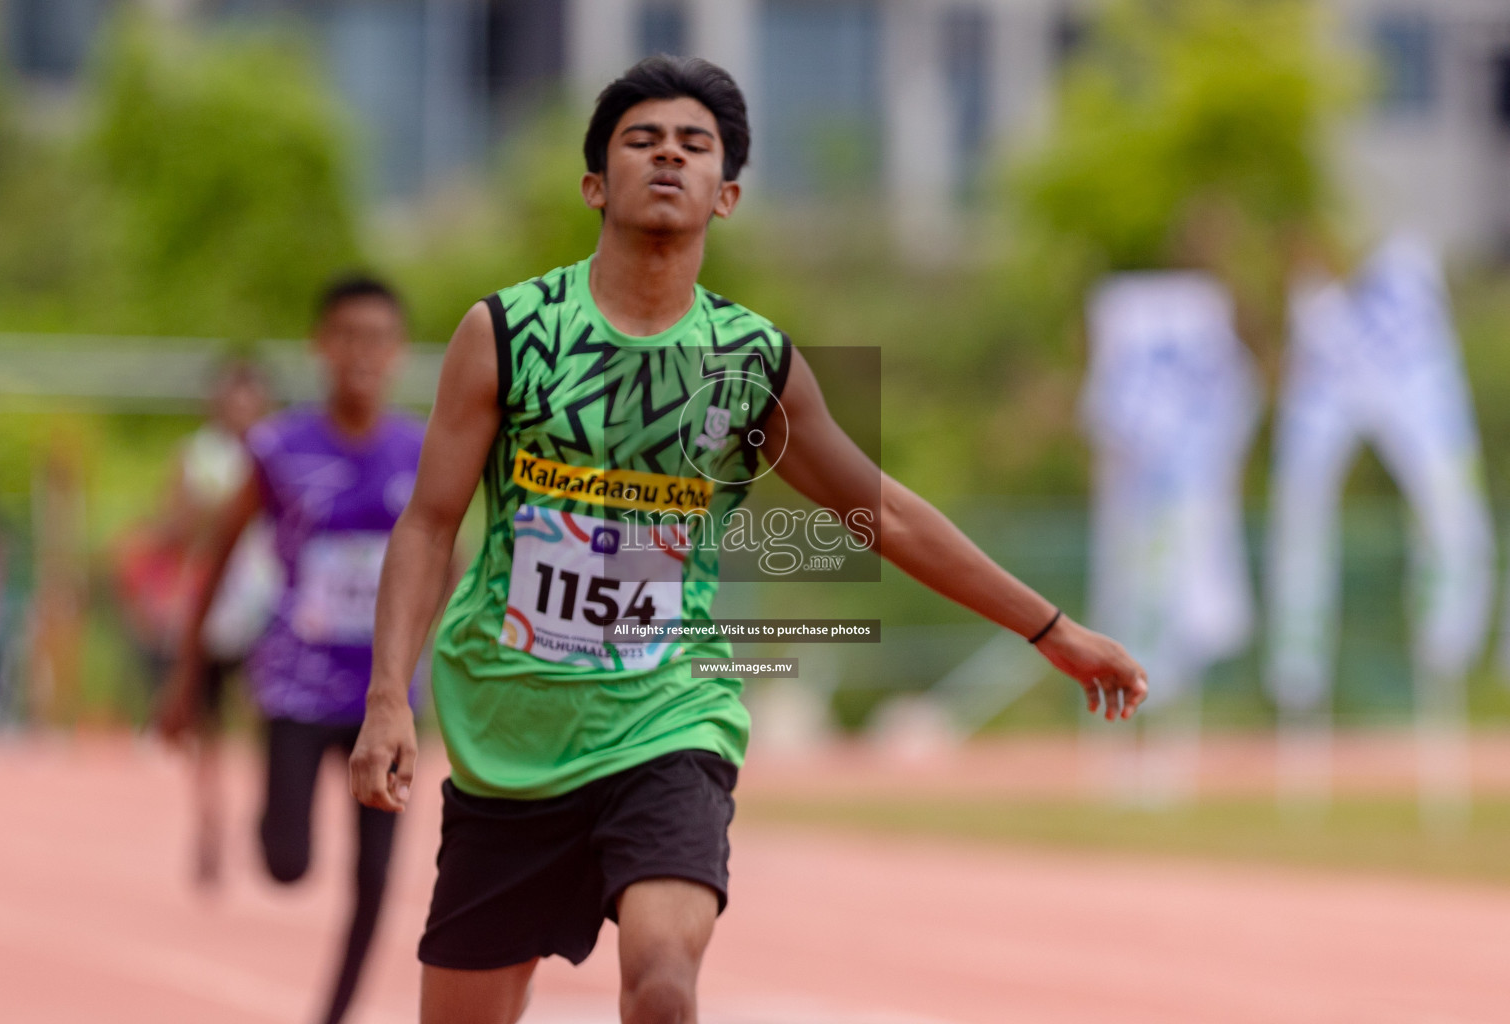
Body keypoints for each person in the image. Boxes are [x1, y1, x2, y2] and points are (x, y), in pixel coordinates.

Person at [349, 57, 1148, 1024]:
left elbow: (882, 513)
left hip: (667, 720)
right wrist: (389, 694)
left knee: (662, 981)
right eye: (643, 141)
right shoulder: (510, 334)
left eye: (695, 146)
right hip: (506, 738)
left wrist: (1051, 629)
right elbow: (430, 523)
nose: (669, 158)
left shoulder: (751, 363)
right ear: (595, 182)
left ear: (725, 194)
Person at [161, 276, 425, 1024]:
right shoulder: (277, 447)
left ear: (398, 352)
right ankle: (269, 818)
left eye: (377, 338)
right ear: (321, 346)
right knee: (288, 864)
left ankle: (334, 1014)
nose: (361, 353)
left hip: (389, 694)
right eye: (346, 336)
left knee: (374, 876)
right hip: (295, 688)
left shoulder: (421, 447)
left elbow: (445, 559)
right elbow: (216, 557)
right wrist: (187, 674)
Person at [172, 359, 280, 886]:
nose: (240, 408)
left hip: (266, 605)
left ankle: (267, 811)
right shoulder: (197, 456)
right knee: (207, 722)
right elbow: (177, 527)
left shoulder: (278, 453)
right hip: (215, 606)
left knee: (265, 717)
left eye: (249, 397)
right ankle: (210, 821)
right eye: (230, 397)